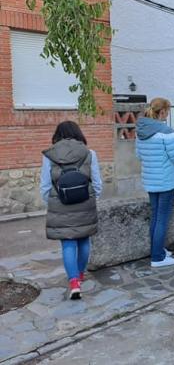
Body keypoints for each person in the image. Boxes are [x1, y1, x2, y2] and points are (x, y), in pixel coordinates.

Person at [40, 121, 103, 300]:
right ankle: (80, 276)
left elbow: (45, 185)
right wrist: (93, 198)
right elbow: (97, 183)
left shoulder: (49, 156)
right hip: (85, 202)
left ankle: (74, 282)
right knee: (84, 240)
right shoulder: (89, 153)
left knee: (68, 243)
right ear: (78, 133)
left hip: (60, 204)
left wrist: (51, 202)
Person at [135, 97, 174, 268]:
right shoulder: (166, 132)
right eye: (168, 111)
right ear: (162, 111)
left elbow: (139, 155)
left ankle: (159, 250)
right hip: (165, 180)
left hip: (150, 179)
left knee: (156, 216)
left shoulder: (141, 131)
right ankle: (157, 257)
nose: (167, 115)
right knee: (162, 218)